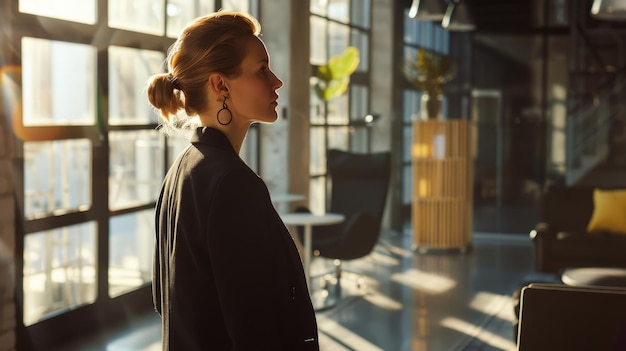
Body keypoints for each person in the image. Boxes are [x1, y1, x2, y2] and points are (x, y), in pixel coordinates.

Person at [146, 11, 319, 350]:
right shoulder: (233, 184)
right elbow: (258, 329)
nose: (277, 81)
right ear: (220, 85)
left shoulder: (182, 171)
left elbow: (162, 298)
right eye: (261, 70)